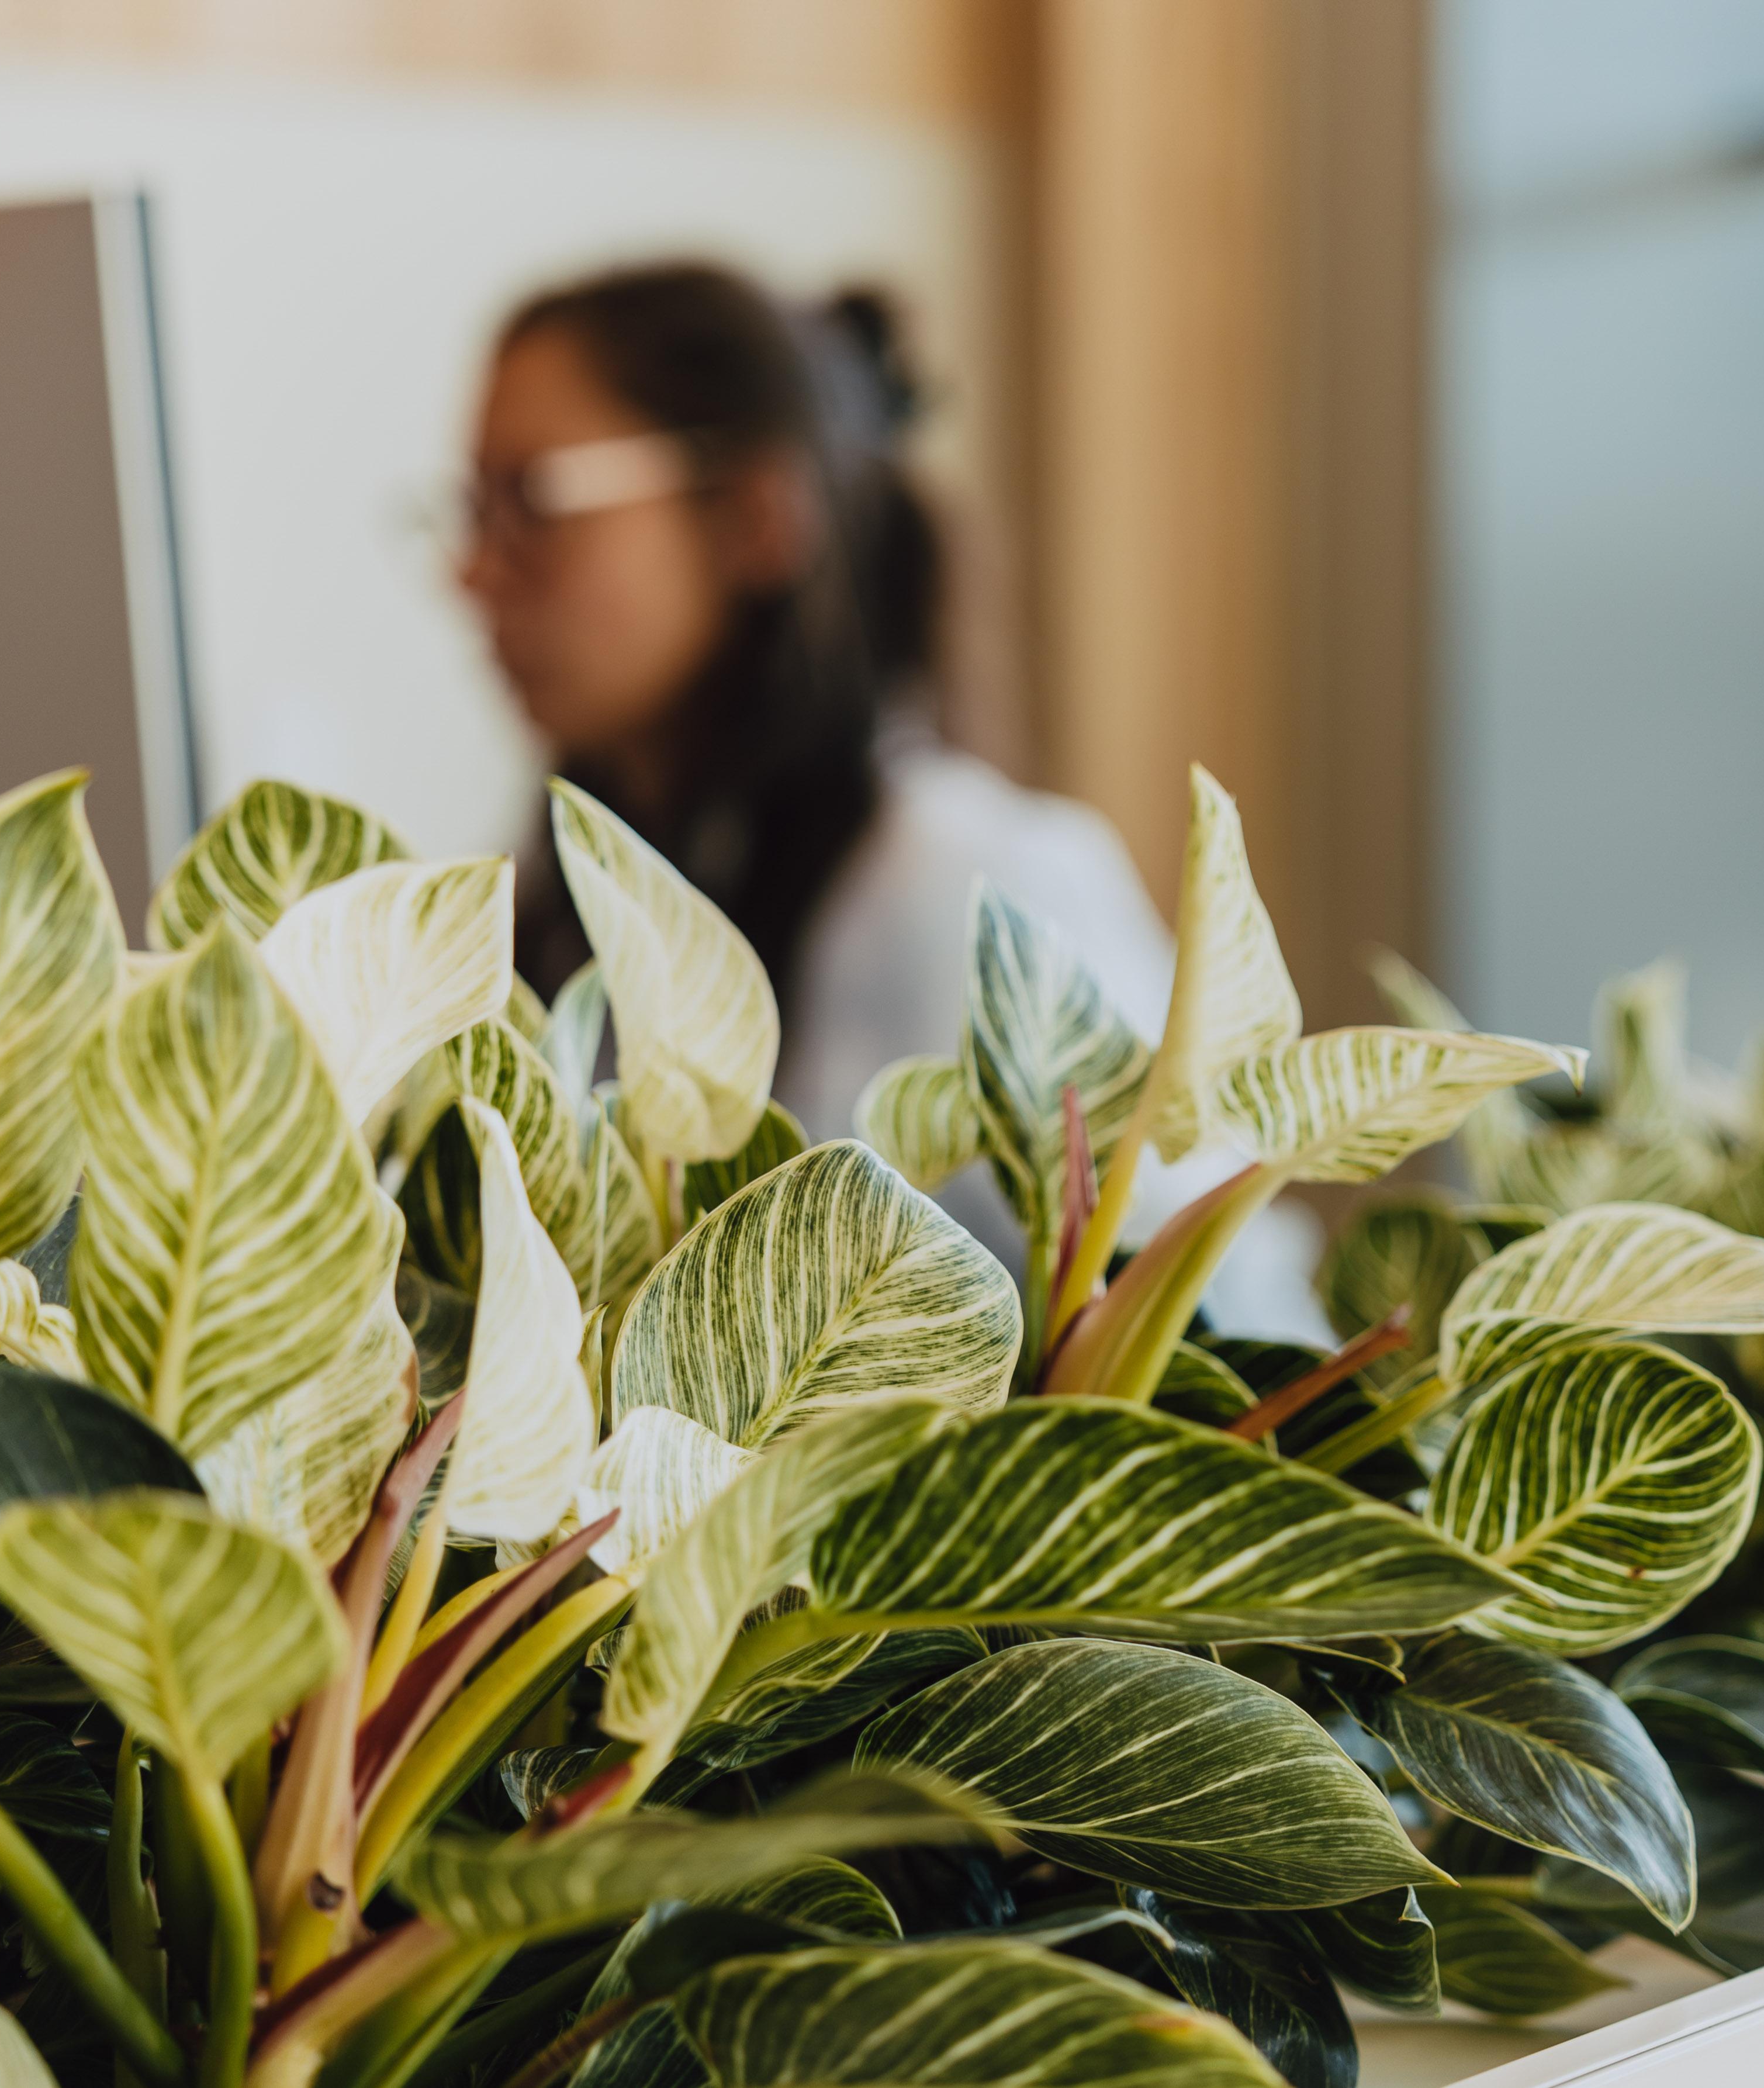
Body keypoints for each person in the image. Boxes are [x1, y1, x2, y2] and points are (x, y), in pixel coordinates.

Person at [455, 260, 1322, 1337]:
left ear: (758, 516)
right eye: (470, 509)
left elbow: (1230, 1330)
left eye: (535, 501)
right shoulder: (585, 889)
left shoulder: (970, 885)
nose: (472, 571)